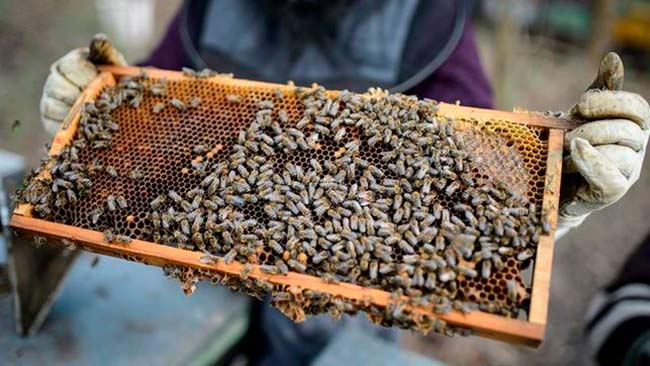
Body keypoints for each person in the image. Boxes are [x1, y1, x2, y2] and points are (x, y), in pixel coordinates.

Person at [38, 1, 650, 365]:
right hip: (191, 284)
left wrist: (551, 197)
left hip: (338, 314)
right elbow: (151, 97)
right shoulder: (213, 3)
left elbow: (480, 177)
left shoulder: (427, 18)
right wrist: (97, 111)